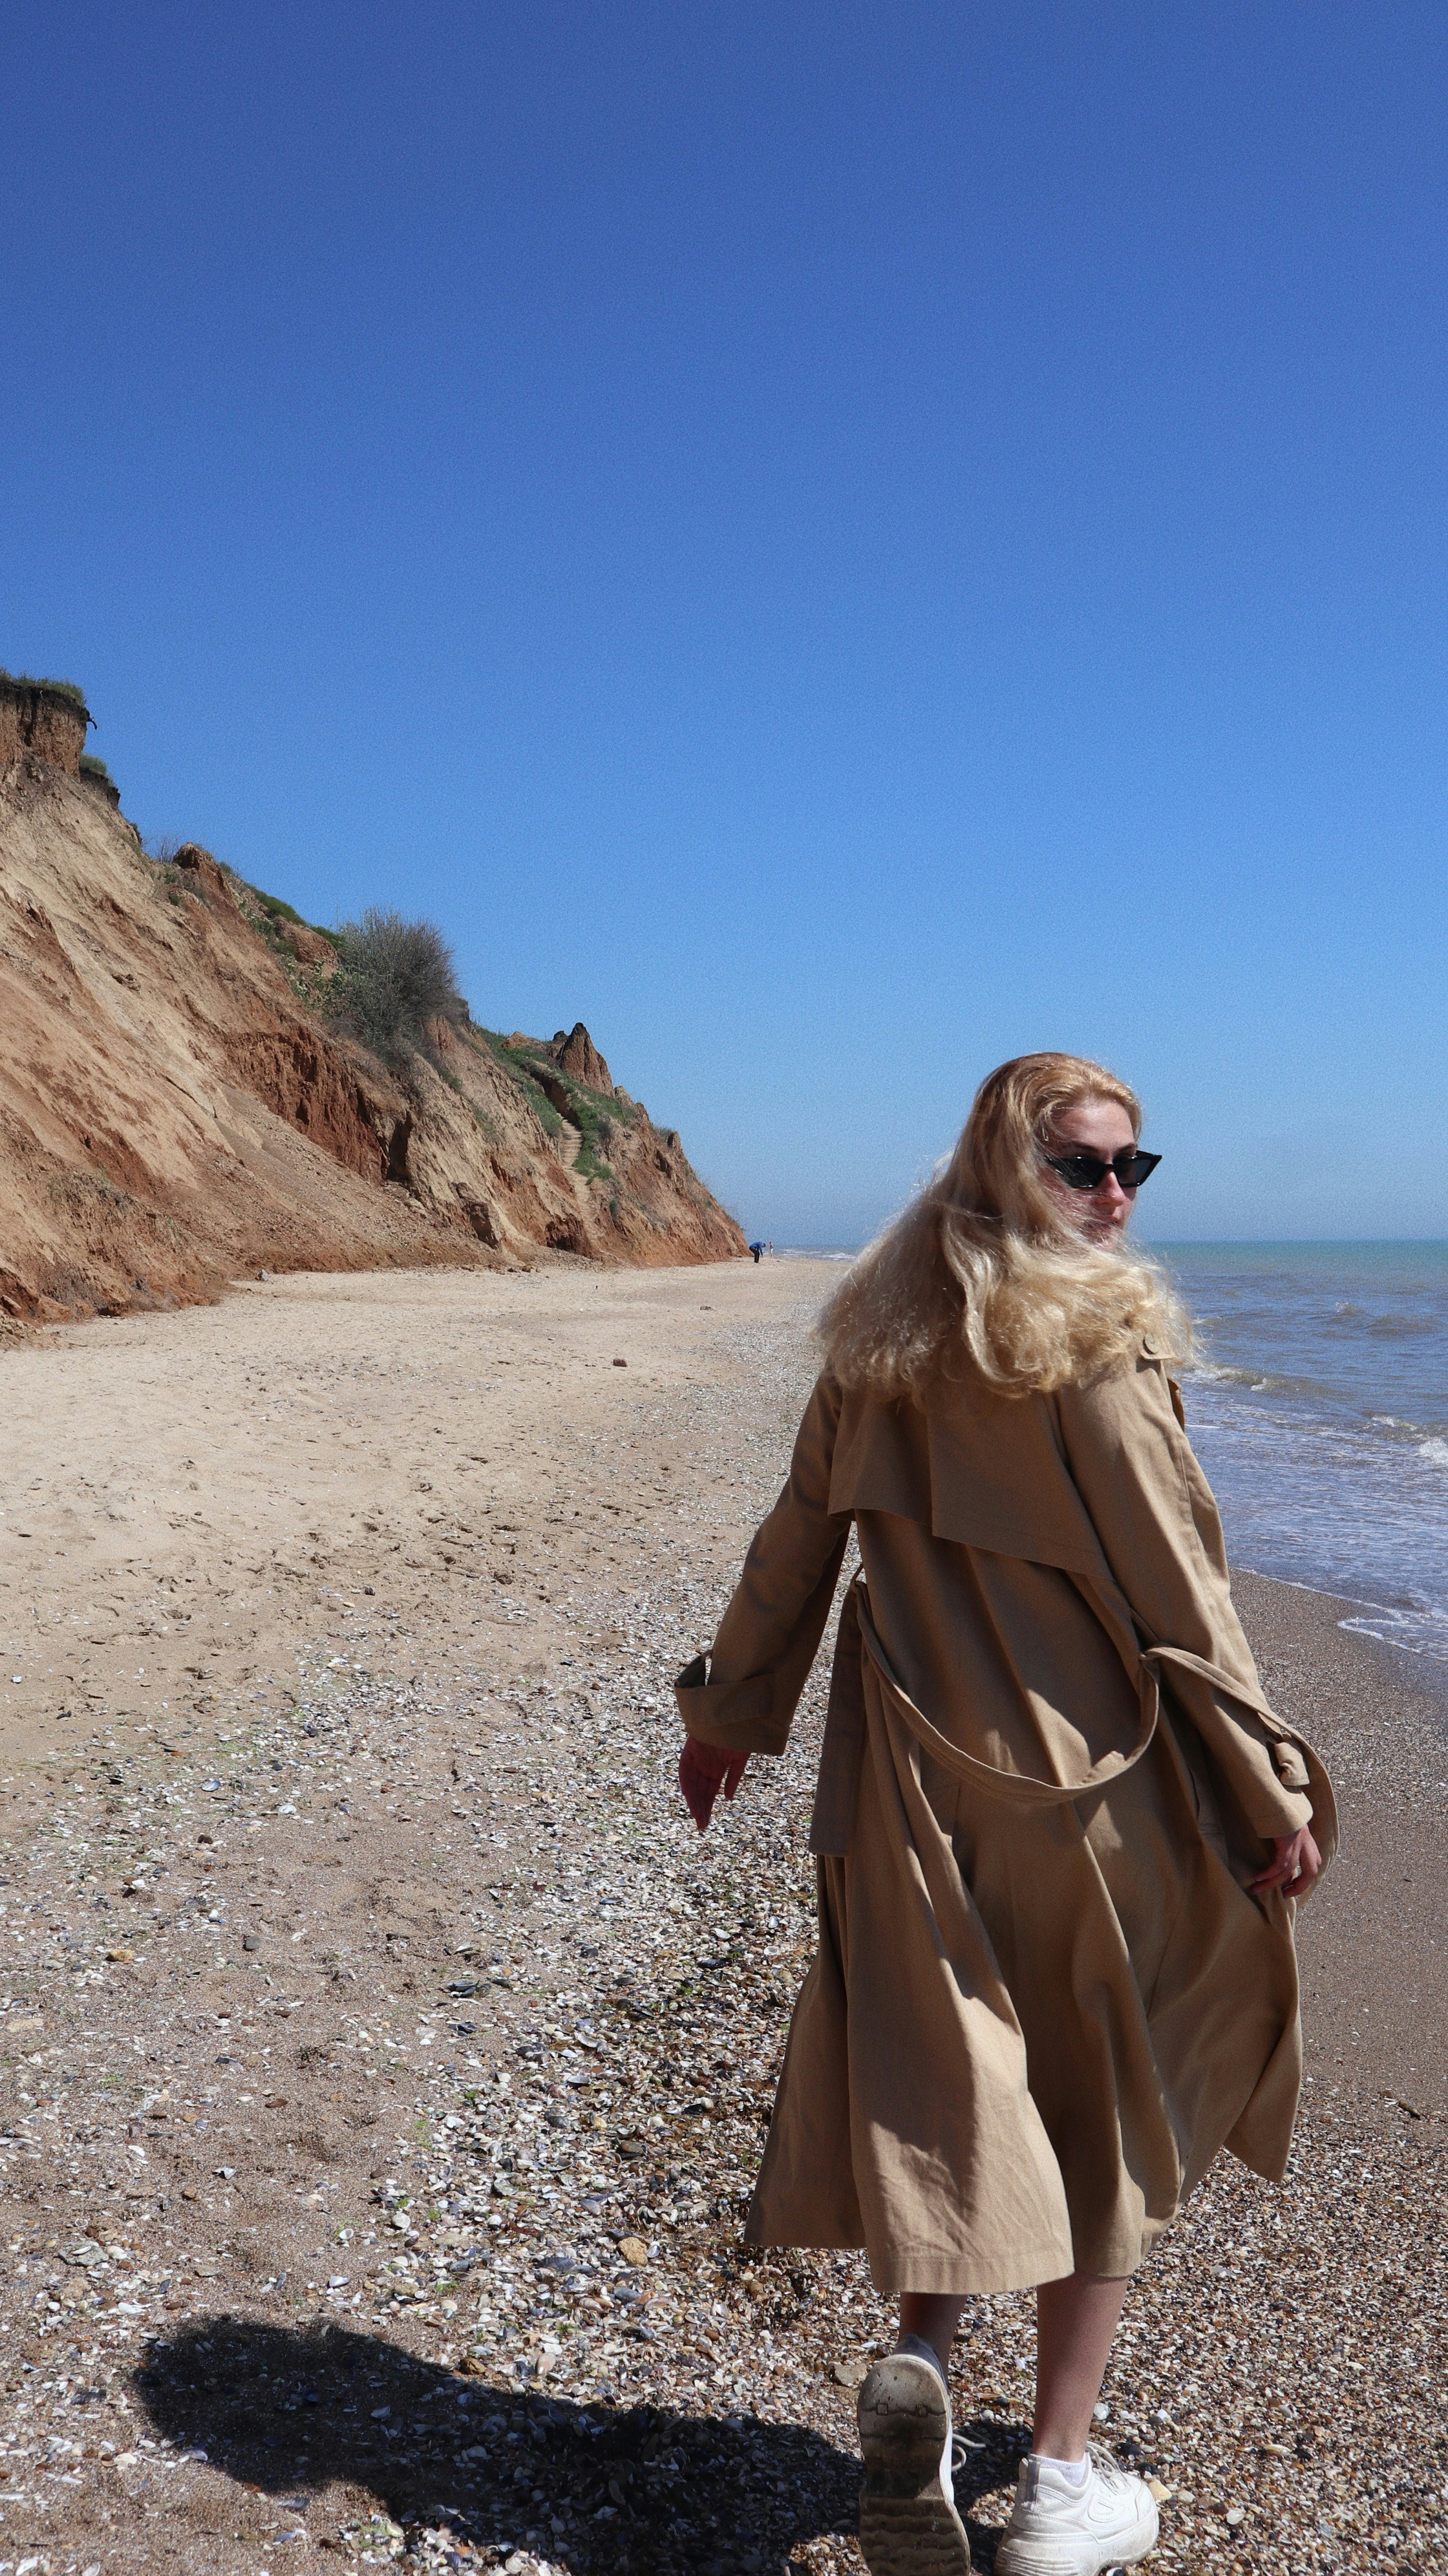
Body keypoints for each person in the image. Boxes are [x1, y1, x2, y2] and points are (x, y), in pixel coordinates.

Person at [676, 1053, 1334, 2576]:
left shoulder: (878, 1340)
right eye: (1084, 1166)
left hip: (905, 1773)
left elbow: (797, 1544)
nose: (1113, 1195)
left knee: (956, 2085)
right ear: (1006, 1164)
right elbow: (1181, 1601)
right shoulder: (1095, 1351)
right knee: (1108, 2099)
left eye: (1131, 1169)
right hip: (1092, 1783)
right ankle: (1053, 2481)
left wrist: (727, 1721)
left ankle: (926, 2382)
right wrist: (1269, 1790)